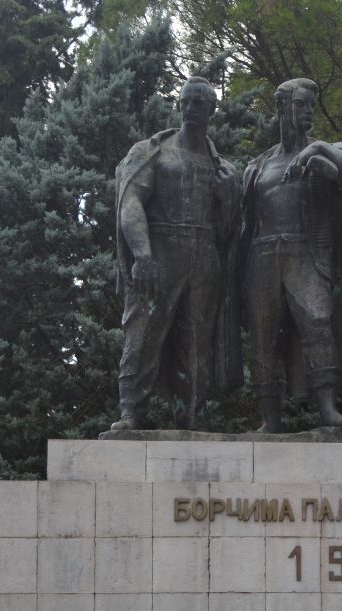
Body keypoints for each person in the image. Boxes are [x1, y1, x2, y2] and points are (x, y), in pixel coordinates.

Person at [237, 78, 342, 431]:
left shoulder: (326, 152)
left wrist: (321, 151)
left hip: (305, 253)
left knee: (318, 323)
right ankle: (270, 419)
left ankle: (328, 409)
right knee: (263, 336)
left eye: (312, 105)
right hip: (263, 255)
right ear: (282, 108)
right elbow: (245, 222)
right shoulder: (259, 164)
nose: (309, 111)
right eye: (302, 104)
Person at [111, 76, 240, 431]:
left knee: (197, 345)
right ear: (178, 104)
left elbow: (229, 231)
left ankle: (190, 416)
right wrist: (143, 255)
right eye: (185, 101)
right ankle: (130, 412)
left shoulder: (223, 168)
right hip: (161, 251)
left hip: (204, 256)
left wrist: (229, 197)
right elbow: (131, 203)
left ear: (212, 110)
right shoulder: (152, 151)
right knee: (143, 335)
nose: (190, 108)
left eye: (199, 102)